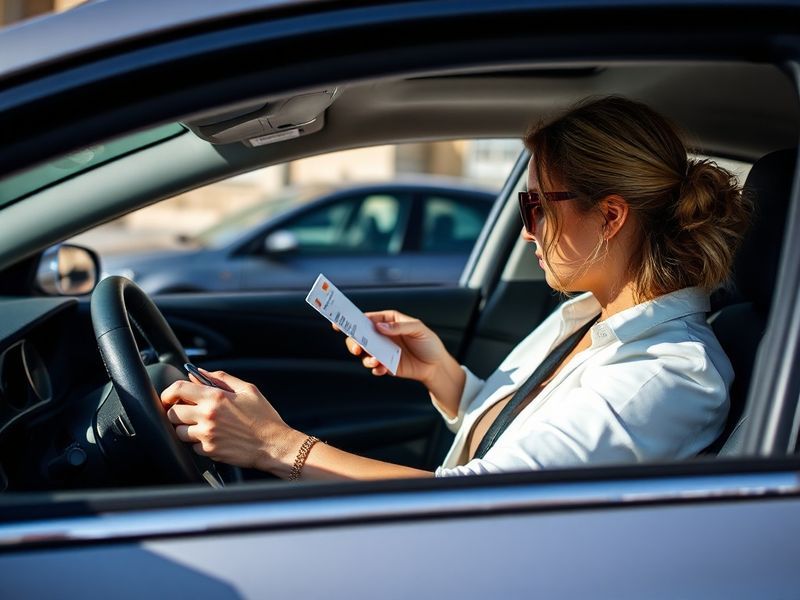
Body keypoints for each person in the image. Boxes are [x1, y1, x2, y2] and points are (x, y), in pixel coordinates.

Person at [160, 96, 753, 480]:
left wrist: (275, 445)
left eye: (536, 207)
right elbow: (520, 447)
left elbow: (477, 503)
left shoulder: (665, 376)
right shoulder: (588, 318)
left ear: (610, 217)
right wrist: (442, 376)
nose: (528, 231)